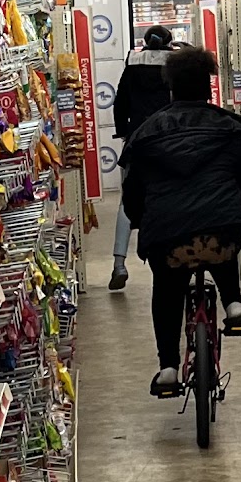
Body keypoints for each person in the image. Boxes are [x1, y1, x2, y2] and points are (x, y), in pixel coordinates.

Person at [119, 44, 241, 398]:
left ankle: (168, 368)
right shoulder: (229, 129)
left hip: (168, 239)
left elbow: (132, 193)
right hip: (221, 233)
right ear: (208, 87)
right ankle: (233, 303)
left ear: (171, 88)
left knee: (166, 291)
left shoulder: (146, 134)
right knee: (221, 241)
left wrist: (141, 221)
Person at [108, 26, 174, 291]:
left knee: (128, 200)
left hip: (138, 141)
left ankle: (119, 264)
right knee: (173, 196)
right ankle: (172, 254)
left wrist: (125, 131)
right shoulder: (175, 65)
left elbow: (120, 102)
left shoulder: (132, 62)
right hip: (169, 141)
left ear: (145, 42)